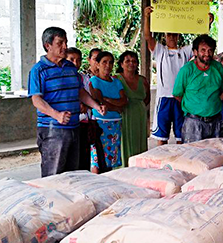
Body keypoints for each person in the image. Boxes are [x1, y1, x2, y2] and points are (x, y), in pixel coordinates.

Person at [29, 27, 105, 177]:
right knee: (53, 175)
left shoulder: (70, 67)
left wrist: (96, 105)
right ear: (47, 45)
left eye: (66, 42)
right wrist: (56, 114)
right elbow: (36, 100)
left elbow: (80, 92)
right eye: (60, 43)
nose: (65, 47)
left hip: (74, 127)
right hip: (52, 129)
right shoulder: (38, 70)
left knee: (73, 174)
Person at [143, 6, 214, 145]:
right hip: (164, 98)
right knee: (161, 137)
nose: (172, 37)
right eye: (169, 34)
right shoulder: (160, 50)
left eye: (174, 35)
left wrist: (208, 23)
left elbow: (201, 42)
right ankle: (161, 161)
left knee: (181, 135)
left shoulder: (185, 51)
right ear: (164, 36)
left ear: (178, 36)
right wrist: (146, 17)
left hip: (181, 99)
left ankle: (180, 162)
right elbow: (147, 36)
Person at [173, 34, 223, 143]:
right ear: (195, 52)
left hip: (216, 120)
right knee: (192, 156)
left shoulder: (218, 67)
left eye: (210, 50)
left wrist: (212, 103)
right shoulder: (186, 70)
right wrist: (193, 105)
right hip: (193, 121)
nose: (207, 54)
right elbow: (177, 94)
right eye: (203, 50)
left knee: (215, 155)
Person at [89, 51, 128, 172]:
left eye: (111, 62)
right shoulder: (94, 81)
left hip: (115, 124)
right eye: (104, 62)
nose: (108, 65)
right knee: (97, 158)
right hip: (101, 123)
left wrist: (107, 99)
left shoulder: (116, 81)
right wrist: (115, 107)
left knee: (111, 158)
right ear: (98, 64)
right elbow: (99, 102)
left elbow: (124, 101)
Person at [116, 51, 150, 166]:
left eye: (134, 61)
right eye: (127, 61)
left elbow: (147, 99)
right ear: (121, 64)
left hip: (139, 115)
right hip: (124, 114)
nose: (131, 64)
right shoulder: (116, 79)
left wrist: (139, 108)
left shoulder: (143, 80)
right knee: (125, 141)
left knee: (139, 141)